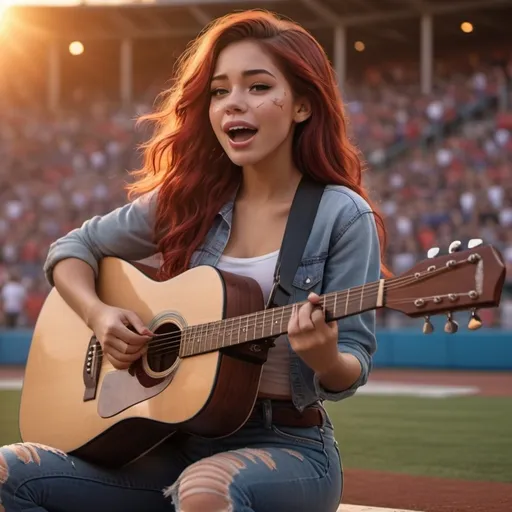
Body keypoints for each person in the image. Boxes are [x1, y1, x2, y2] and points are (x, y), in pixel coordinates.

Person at [0, 10, 388, 512]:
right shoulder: (187, 199)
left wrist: (324, 357)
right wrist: (101, 315)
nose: (232, 105)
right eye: (219, 91)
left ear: (302, 106)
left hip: (287, 447)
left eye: (257, 86)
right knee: (10, 473)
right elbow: (71, 251)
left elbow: (351, 366)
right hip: (167, 443)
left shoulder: (342, 215)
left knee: (205, 490)